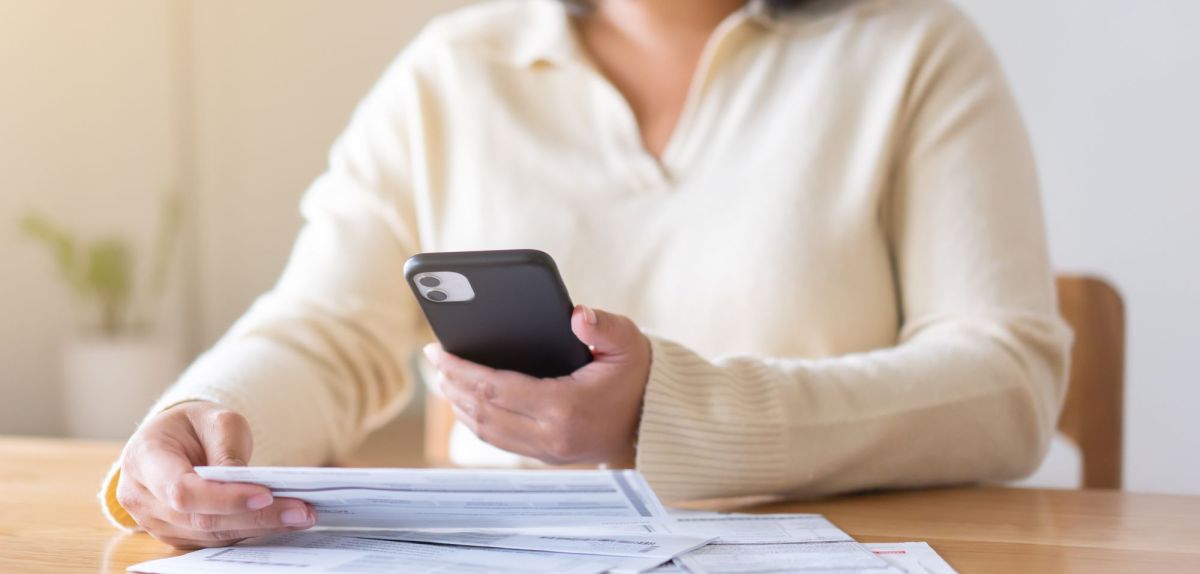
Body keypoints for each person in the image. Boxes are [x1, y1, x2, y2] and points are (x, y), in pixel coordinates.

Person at [100, 0, 1071, 548]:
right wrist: (202, 417)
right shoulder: (451, 72)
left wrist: (675, 416)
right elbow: (319, 329)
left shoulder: (914, 52)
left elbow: (1006, 381)